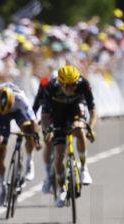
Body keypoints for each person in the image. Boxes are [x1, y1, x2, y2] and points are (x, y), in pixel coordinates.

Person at [40, 65, 97, 207]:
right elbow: (45, 115)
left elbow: (93, 110)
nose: (71, 89)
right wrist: (47, 131)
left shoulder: (83, 84)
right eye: (67, 86)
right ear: (60, 83)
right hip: (58, 113)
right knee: (59, 157)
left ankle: (84, 169)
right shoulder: (51, 87)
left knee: (79, 130)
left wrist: (89, 127)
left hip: (76, 109)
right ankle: (62, 189)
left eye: (73, 85)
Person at [0, 82, 41, 207]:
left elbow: (34, 121)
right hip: (0, 115)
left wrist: (36, 139)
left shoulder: (20, 98)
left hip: (18, 112)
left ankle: (29, 162)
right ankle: (2, 187)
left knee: (28, 130)